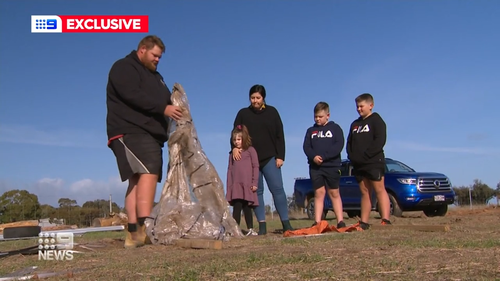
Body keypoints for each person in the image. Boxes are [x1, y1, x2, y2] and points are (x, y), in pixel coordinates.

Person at [106, 35, 183, 248]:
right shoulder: (123, 68)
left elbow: (166, 99)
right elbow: (131, 95)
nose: (157, 60)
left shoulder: (156, 77)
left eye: (160, 57)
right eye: (154, 55)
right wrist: (163, 108)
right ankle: (143, 228)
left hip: (148, 134)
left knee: (137, 180)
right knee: (149, 172)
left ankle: (133, 232)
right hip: (130, 130)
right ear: (142, 49)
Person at [231, 84, 294, 235]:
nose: (255, 101)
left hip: (270, 158)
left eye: (258, 98)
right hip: (250, 161)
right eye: (252, 98)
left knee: (277, 189)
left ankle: (286, 223)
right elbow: (235, 133)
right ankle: (262, 226)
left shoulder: (272, 112)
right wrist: (233, 147)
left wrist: (280, 156)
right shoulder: (243, 114)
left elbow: (280, 135)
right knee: (256, 192)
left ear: (263, 98)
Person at [346, 93, 392, 230]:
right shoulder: (355, 124)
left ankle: (385, 219)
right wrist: (353, 156)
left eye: (361, 106)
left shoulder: (376, 120)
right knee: (365, 191)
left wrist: (367, 155)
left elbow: (380, 140)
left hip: (373, 162)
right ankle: (364, 221)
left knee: (379, 189)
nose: (359, 109)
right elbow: (349, 143)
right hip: (358, 164)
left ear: (370, 105)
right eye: (357, 107)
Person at [303, 102, 346, 228]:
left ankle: (340, 221)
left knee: (334, 193)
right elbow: (306, 147)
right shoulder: (311, 131)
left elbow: (339, 145)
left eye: (320, 116)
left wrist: (325, 157)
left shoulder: (335, 128)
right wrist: (314, 157)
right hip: (316, 168)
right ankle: (317, 222)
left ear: (328, 115)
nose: (317, 119)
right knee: (319, 193)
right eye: (315, 116)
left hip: (332, 166)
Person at [226, 124, 259, 236]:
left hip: (247, 185)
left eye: (239, 139)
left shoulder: (251, 150)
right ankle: (235, 229)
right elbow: (230, 170)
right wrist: (229, 187)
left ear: (244, 139)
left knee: (247, 207)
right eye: (234, 140)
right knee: (237, 207)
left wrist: (254, 182)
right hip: (236, 186)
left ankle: (250, 228)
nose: (237, 142)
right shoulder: (232, 154)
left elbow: (256, 166)